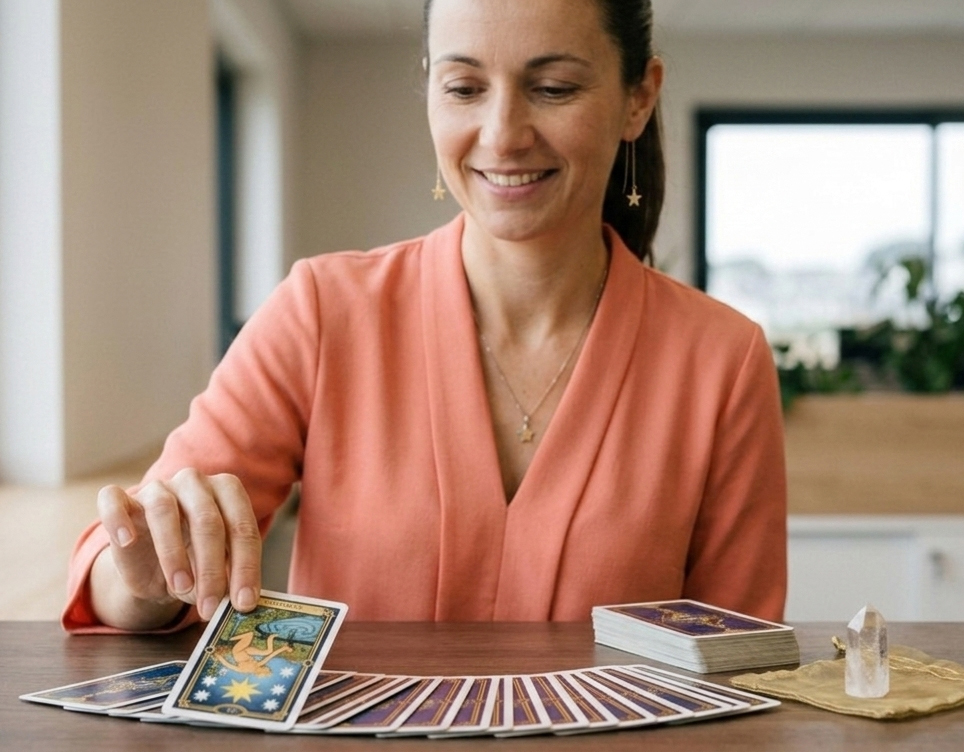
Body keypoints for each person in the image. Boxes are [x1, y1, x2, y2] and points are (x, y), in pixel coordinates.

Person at [63, 0, 787, 634]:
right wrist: (147, 578)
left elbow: (737, 664)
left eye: (553, 87)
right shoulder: (321, 312)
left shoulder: (722, 360)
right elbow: (121, 559)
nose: (502, 134)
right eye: (464, 88)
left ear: (639, 97)